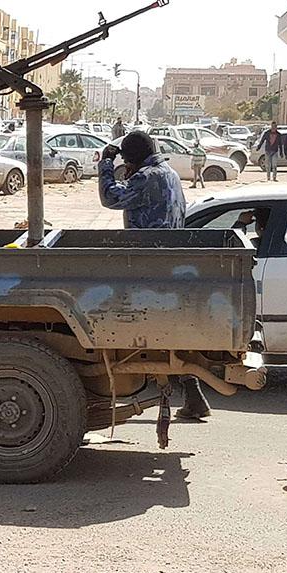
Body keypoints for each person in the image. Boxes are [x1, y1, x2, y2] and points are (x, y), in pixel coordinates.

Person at [97, 131, 209, 419]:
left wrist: (106, 164)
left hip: (149, 264)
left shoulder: (147, 177)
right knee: (166, 334)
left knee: (130, 328)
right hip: (168, 261)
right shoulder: (168, 172)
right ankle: (192, 396)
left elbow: (110, 197)